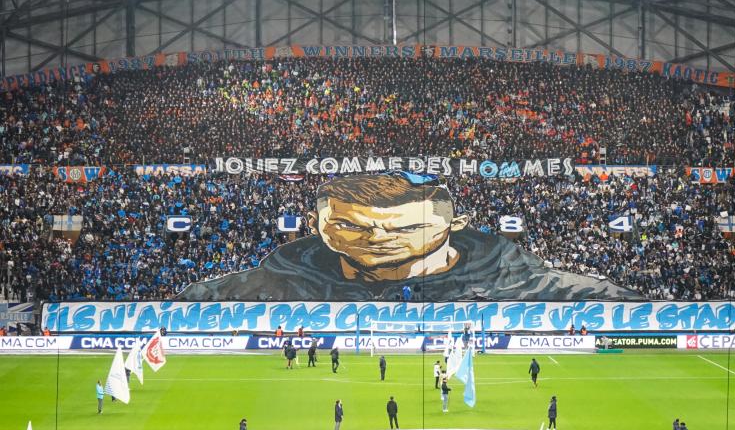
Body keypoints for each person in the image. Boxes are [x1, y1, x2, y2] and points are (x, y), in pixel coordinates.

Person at [176, 174, 641, 301]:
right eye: (351, 225)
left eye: (406, 227)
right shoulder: (247, 291)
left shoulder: (543, 289)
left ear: (455, 224)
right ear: (318, 226)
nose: (378, 239)